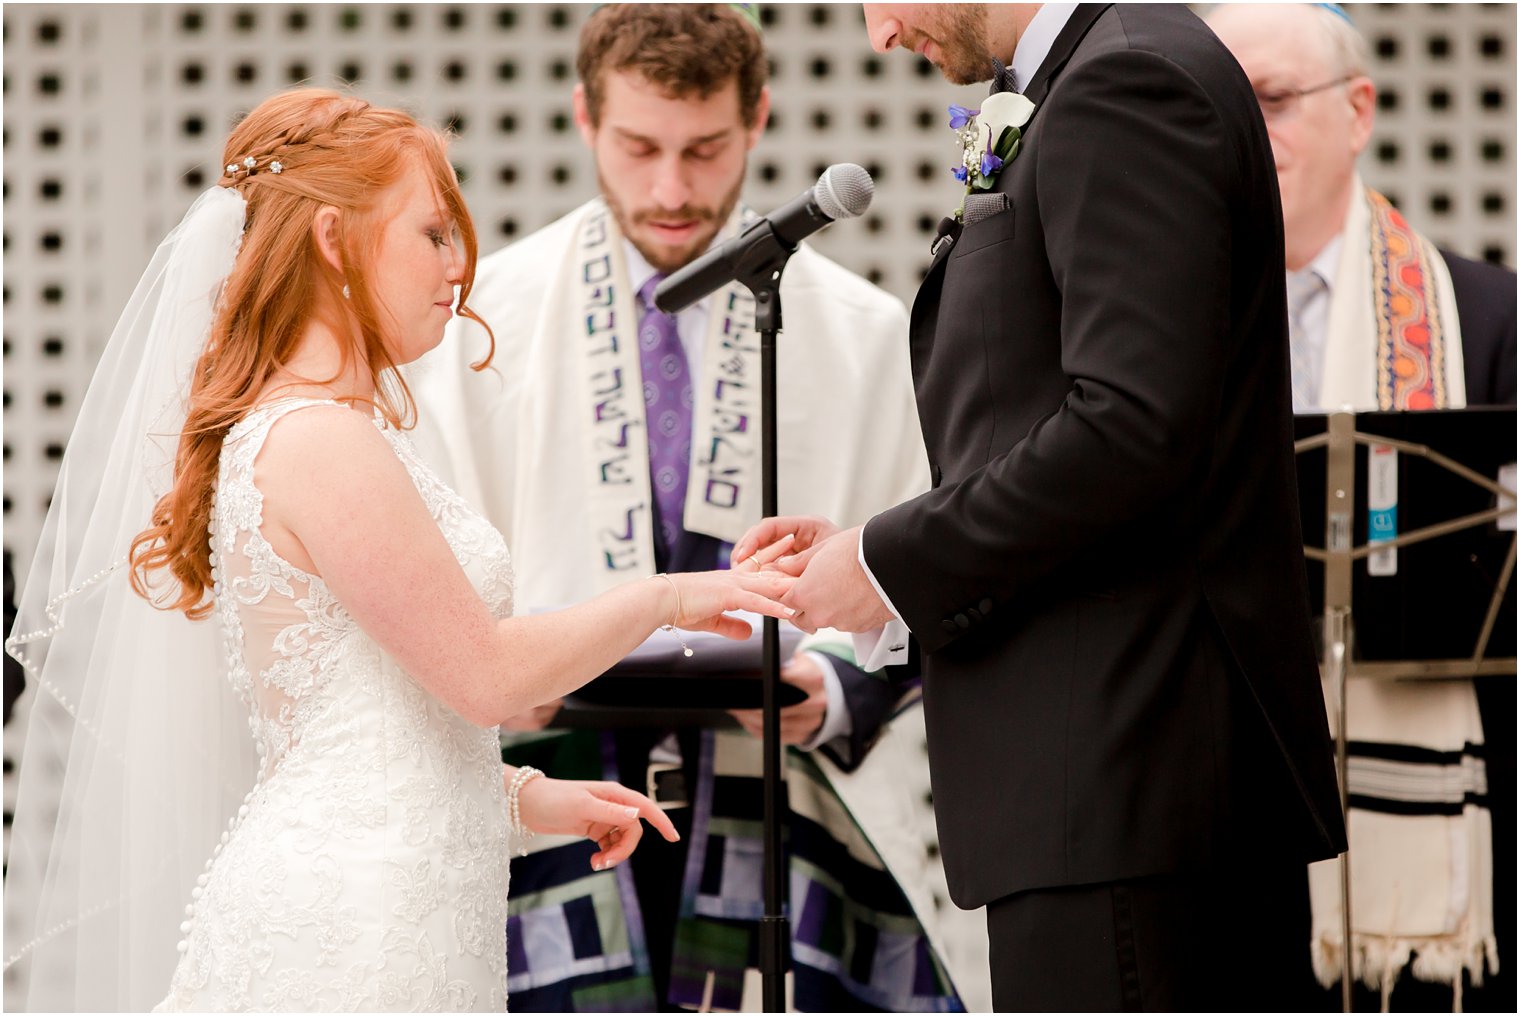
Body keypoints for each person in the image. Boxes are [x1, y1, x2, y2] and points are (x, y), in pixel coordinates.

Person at [2, 87, 797, 1013]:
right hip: (356, 928)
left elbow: (366, 732)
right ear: (334, 240)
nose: (460, 266)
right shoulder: (322, 441)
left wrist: (524, 797)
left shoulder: (325, 431)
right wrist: (668, 598)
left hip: (390, 901)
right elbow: (488, 678)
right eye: (432, 233)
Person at [736, 3, 1349, 1009]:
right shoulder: (1073, 81)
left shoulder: (1125, 83)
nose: (877, 35)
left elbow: (1132, 425)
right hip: (1110, 787)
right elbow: (1048, 420)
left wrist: (889, 563)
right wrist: (866, 558)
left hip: (1130, 783)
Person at [407, 4, 989, 1010]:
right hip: (552, 783)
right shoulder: (480, 323)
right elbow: (425, 572)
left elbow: (930, 561)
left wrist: (832, 684)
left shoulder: (862, 332)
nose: (671, 188)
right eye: (637, 146)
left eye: (704, 148)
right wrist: (501, 673)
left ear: (756, 120)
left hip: (785, 794)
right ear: (584, 121)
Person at [1208, 4, 1515, 1010]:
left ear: (1358, 111)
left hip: (1442, 795)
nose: (1248, 133)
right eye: (1221, 105)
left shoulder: (1486, 316)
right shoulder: (1158, 328)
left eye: (1274, 102)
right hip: (1222, 799)